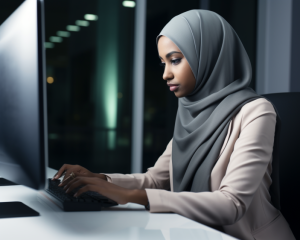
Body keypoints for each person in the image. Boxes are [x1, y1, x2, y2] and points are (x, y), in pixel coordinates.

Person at [52, 10, 295, 240]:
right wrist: (101, 180)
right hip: (196, 232)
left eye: (175, 60)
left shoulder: (256, 111)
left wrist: (130, 196)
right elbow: (156, 180)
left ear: (208, 55)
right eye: (163, 63)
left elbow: (232, 204)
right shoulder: (191, 113)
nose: (165, 74)